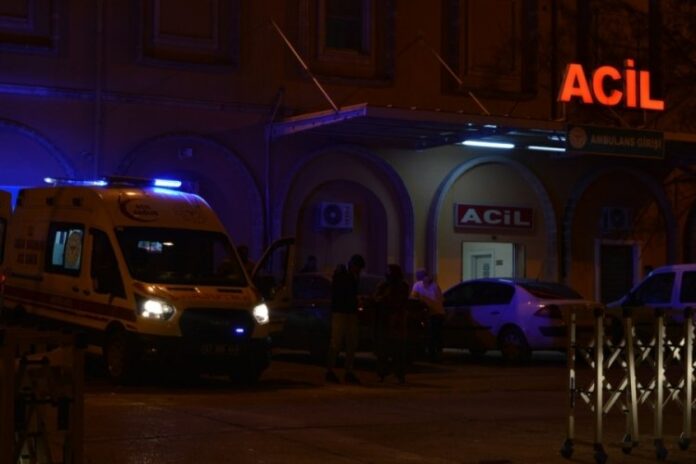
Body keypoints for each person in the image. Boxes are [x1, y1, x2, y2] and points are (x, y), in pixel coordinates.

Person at [326, 254, 365, 384]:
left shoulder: (352, 276)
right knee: (337, 342)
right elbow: (342, 292)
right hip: (341, 312)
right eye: (358, 268)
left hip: (348, 312)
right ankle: (331, 370)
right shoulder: (343, 275)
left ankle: (347, 371)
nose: (359, 271)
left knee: (350, 343)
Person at [373, 264, 411, 384]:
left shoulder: (402, 286)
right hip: (386, 320)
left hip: (397, 320)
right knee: (384, 351)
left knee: (398, 351)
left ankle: (399, 374)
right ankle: (382, 374)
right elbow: (376, 298)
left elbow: (403, 301)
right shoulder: (384, 285)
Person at [410, 268, 445, 362]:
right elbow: (441, 300)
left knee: (432, 334)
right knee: (435, 334)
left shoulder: (419, 285)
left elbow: (414, 298)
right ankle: (435, 353)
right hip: (435, 313)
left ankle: (433, 354)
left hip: (433, 313)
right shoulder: (433, 285)